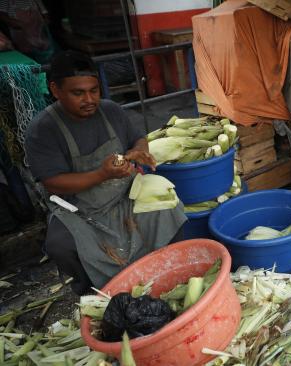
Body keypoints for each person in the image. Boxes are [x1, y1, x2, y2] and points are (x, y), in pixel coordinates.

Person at [26, 51, 187, 295]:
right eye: (78, 93)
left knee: (169, 209)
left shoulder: (111, 111)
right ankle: (94, 293)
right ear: (55, 90)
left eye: (94, 90)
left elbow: (138, 139)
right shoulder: (43, 129)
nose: (89, 99)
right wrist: (102, 174)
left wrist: (138, 151)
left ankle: (166, 274)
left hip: (126, 195)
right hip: (80, 210)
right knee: (60, 245)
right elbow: (53, 183)